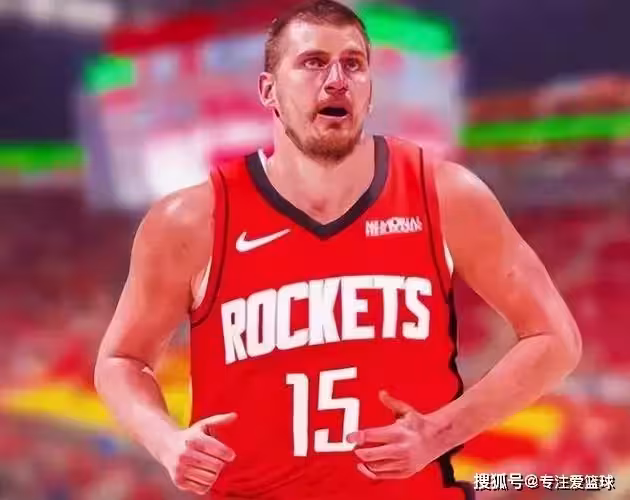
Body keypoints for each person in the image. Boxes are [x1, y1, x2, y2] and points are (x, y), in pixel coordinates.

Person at [94, 1, 582, 498]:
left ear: (370, 89)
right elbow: (121, 360)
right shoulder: (191, 220)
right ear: (268, 90)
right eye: (313, 62)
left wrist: (440, 432)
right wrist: (166, 441)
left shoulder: (445, 195)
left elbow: (555, 339)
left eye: (353, 64)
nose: (336, 80)